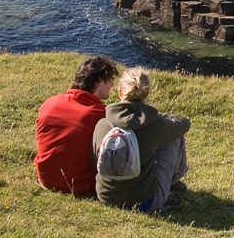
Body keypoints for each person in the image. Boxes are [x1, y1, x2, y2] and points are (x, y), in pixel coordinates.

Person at [93, 66, 190, 212]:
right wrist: (158, 117)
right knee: (174, 136)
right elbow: (184, 123)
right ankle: (172, 184)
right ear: (146, 93)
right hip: (144, 203)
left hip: (106, 197)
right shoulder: (154, 125)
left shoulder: (102, 123)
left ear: (120, 92)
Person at [34, 55, 120, 196]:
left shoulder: (50, 103)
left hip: (46, 179)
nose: (111, 85)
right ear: (99, 82)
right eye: (109, 80)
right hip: (80, 185)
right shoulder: (100, 115)